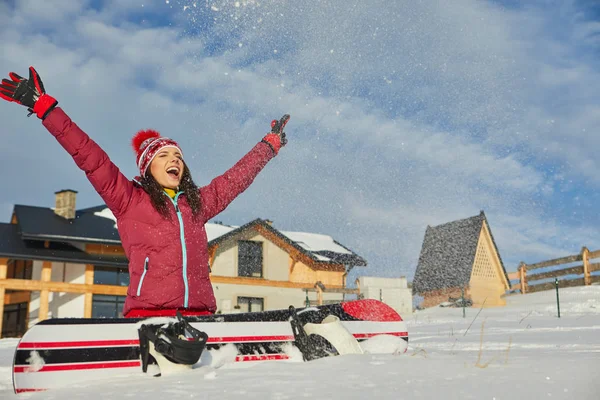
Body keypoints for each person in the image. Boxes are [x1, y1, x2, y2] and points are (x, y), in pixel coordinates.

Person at [0, 66, 290, 318]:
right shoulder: (128, 199)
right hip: (149, 316)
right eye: (164, 156)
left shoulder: (198, 204)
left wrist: (269, 145)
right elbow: (89, 156)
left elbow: (236, 178)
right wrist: (46, 108)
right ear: (148, 168)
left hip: (201, 316)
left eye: (177, 156)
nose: (175, 160)